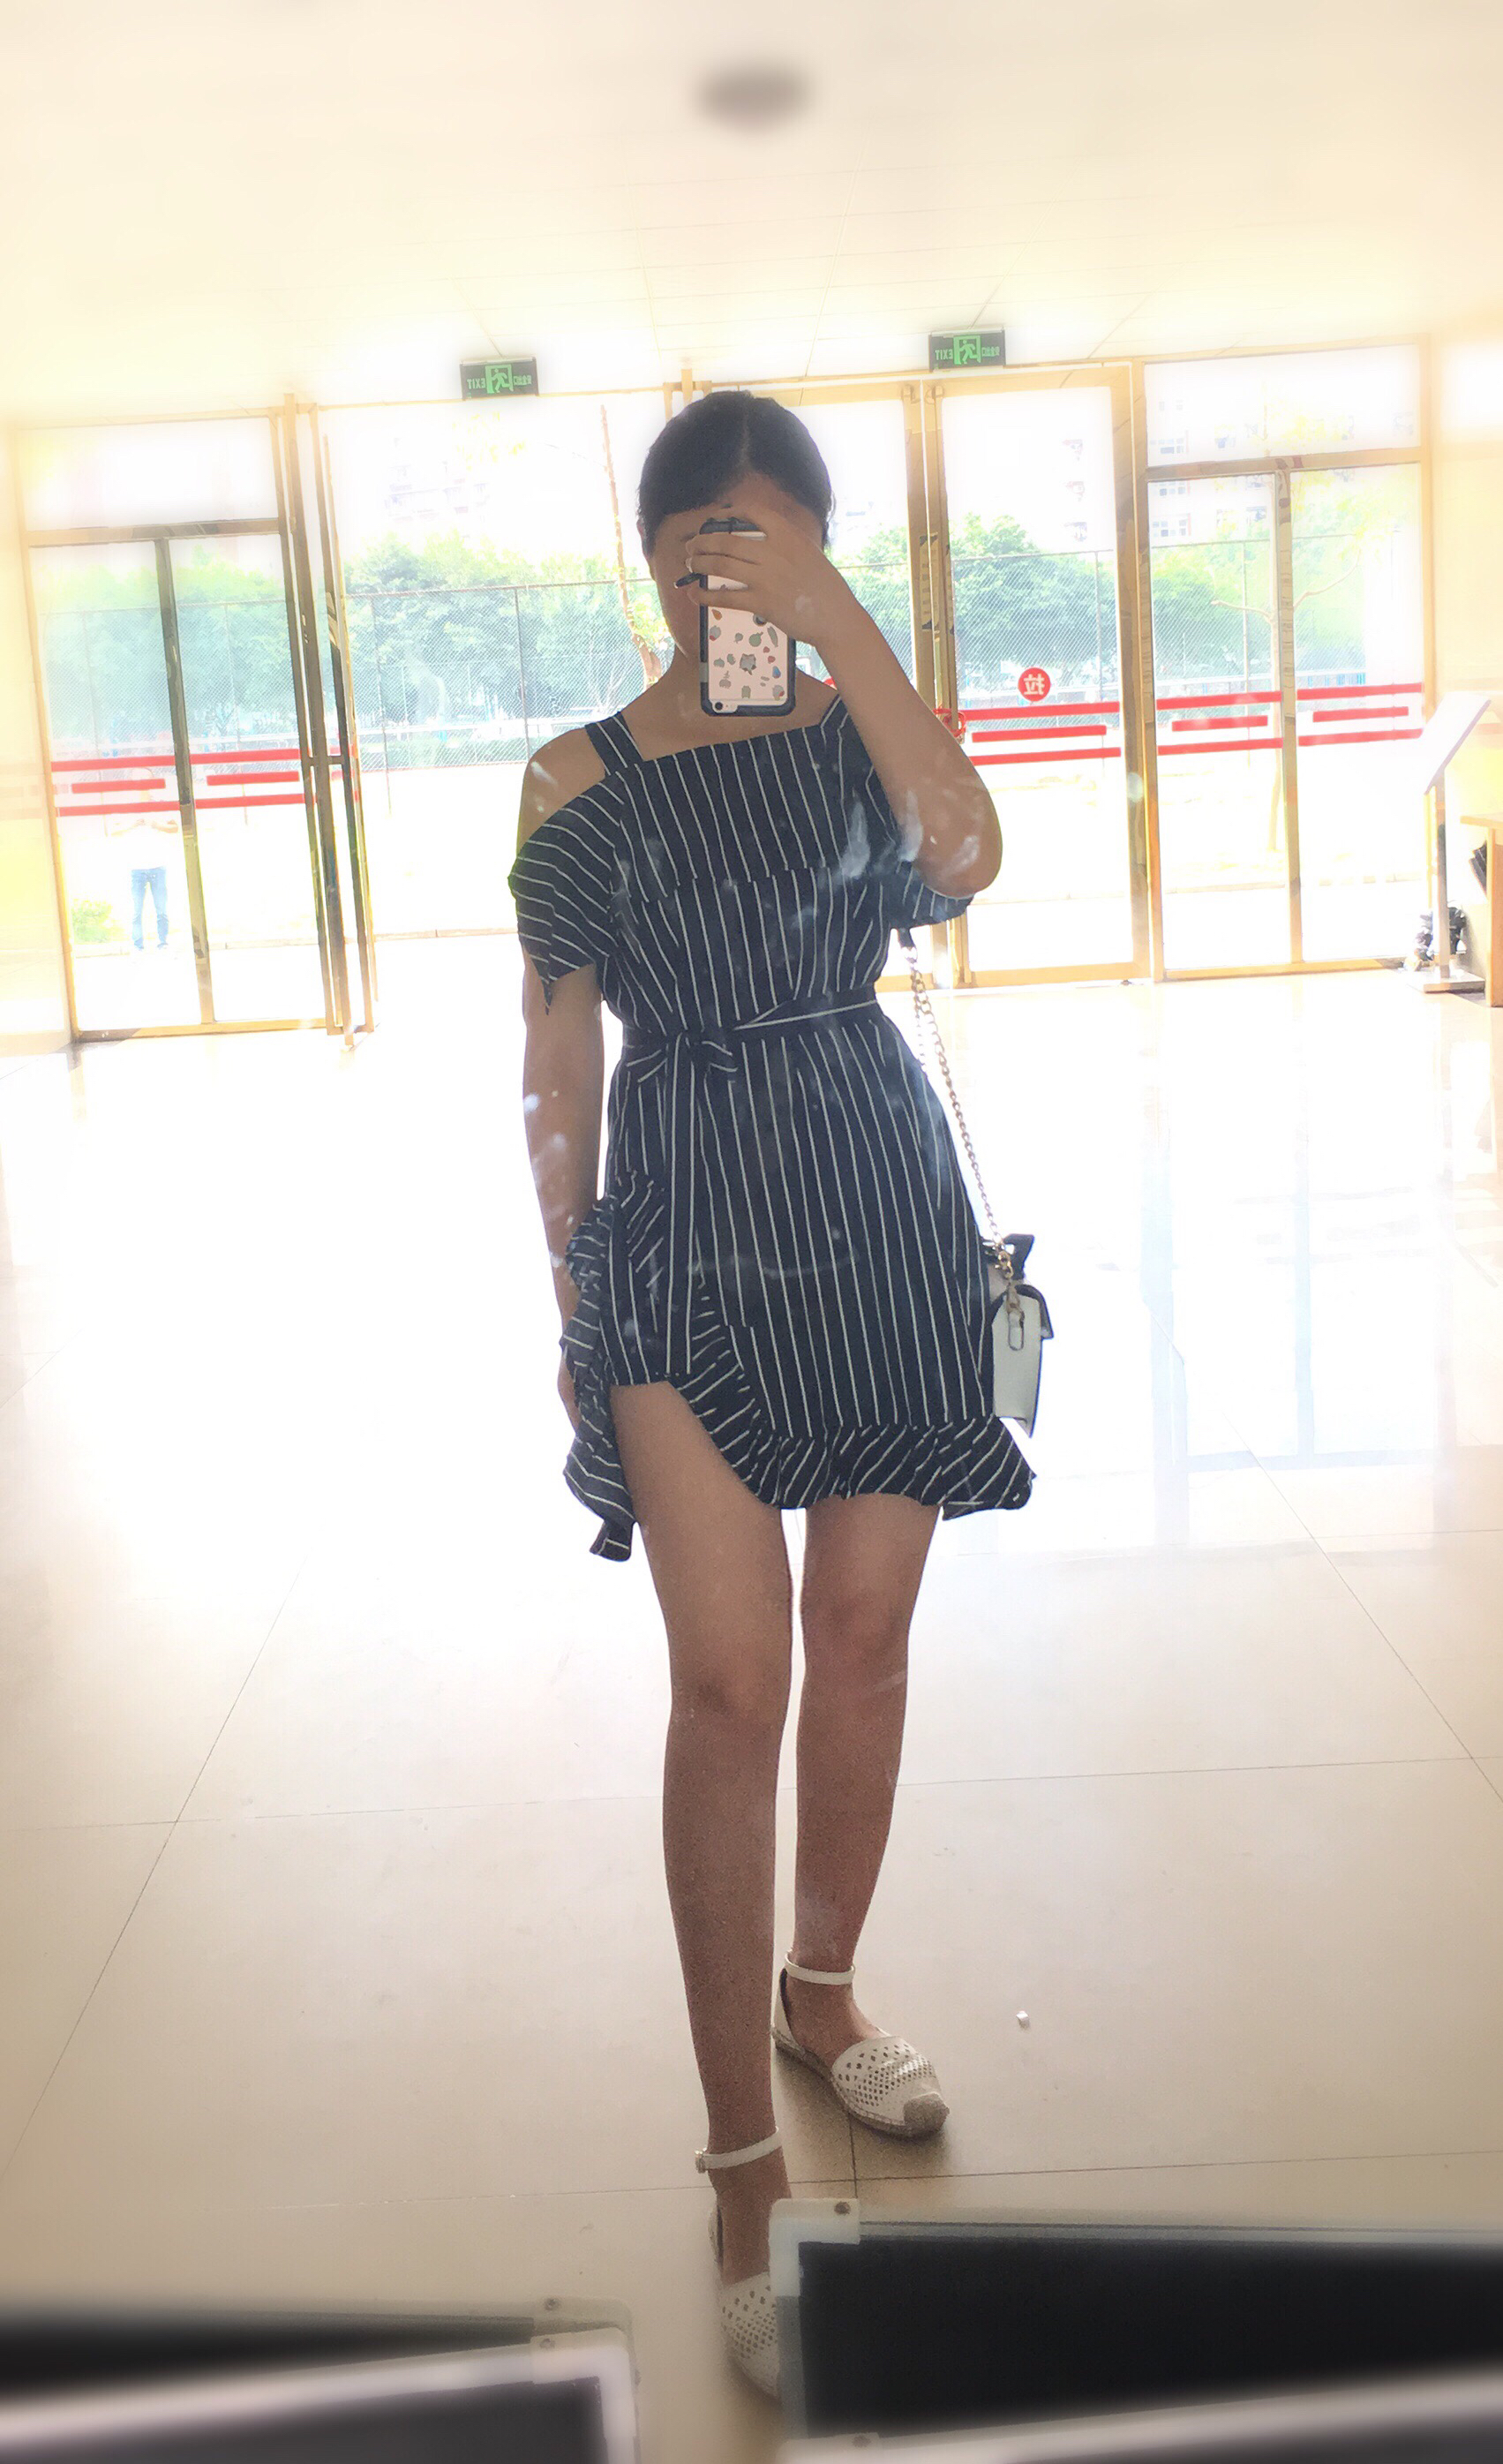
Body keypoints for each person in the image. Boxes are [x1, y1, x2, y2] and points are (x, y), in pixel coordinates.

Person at [507, 392, 1034, 2400]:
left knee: (865, 1637)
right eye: (702, 551)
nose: (730, 583)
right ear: (651, 563)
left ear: (813, 550)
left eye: (769, 545)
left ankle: (823, 1991)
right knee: (729, 1686)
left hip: (877, 1194)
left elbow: (965, 853)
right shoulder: (574, 779)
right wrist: (570, 1275)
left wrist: (842, 624)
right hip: (686, 1226)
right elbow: (556, 1055)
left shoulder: (853, 740)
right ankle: (741, 2160)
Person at [105, 798, 178, 949]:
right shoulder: (127, 808)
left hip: (158, 866)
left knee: (161, 909)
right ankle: (138, 945)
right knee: (136, 910)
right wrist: (132, 825)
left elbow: (175, 828)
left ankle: (163, 943)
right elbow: (112, 831)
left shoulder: (159, 806)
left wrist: (158, 825)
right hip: (136, 868)